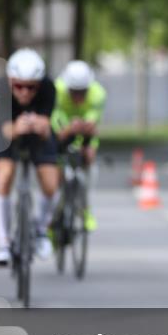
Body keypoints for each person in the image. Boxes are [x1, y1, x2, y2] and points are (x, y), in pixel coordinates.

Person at [0, 48, 59, 266]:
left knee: (50, 183)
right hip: (8, 133)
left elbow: (48, 126)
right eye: (19, 86)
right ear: (11, 81)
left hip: (37, 136)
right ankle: (3, 241)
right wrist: (17, 128)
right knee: (5, 176)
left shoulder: (49, 87)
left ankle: (40, 230)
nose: (25, 92)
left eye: (31, 87)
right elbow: (3, 129)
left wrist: (41, 126)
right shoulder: (0, 88)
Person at [51, 60, 106, 231]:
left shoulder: (98, 93)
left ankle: (85, 209)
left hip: (84, 129)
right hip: (62, 126)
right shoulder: (56, 90)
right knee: (57, 171)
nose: (78, 97)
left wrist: (86, 131)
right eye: (74, 92)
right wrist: (66, 130)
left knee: (88, 158)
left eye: (82, 92)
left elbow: (92, 122)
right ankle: (54, 214)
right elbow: (55, 122)